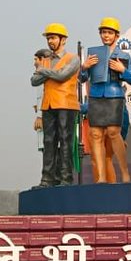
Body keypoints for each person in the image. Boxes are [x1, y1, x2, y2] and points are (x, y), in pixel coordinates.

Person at [81, 17, 131, 183]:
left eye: (109, 32)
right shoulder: (94, 55)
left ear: (116, 35)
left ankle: (125, 172)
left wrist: (123, 70)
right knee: (96, 134)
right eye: (103, 32)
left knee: (114, 132)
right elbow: (82, 79)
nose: (106, 36)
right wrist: (84, 68)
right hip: (96, 96)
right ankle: (101, 176)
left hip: (114, 95)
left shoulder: (123, 55)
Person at [30, 23, 81, 188]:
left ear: (63, 39)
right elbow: (34, 81)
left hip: (66, 104)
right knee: (49, 141)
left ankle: (66, 178)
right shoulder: (46, 60)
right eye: (48, 38)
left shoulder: (73, 58)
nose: (50, 41)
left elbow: (62, 76)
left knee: (66, 141)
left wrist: (43, 71)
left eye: (53, 38)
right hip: (48, 105)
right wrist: (46, 72)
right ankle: (47, 179)